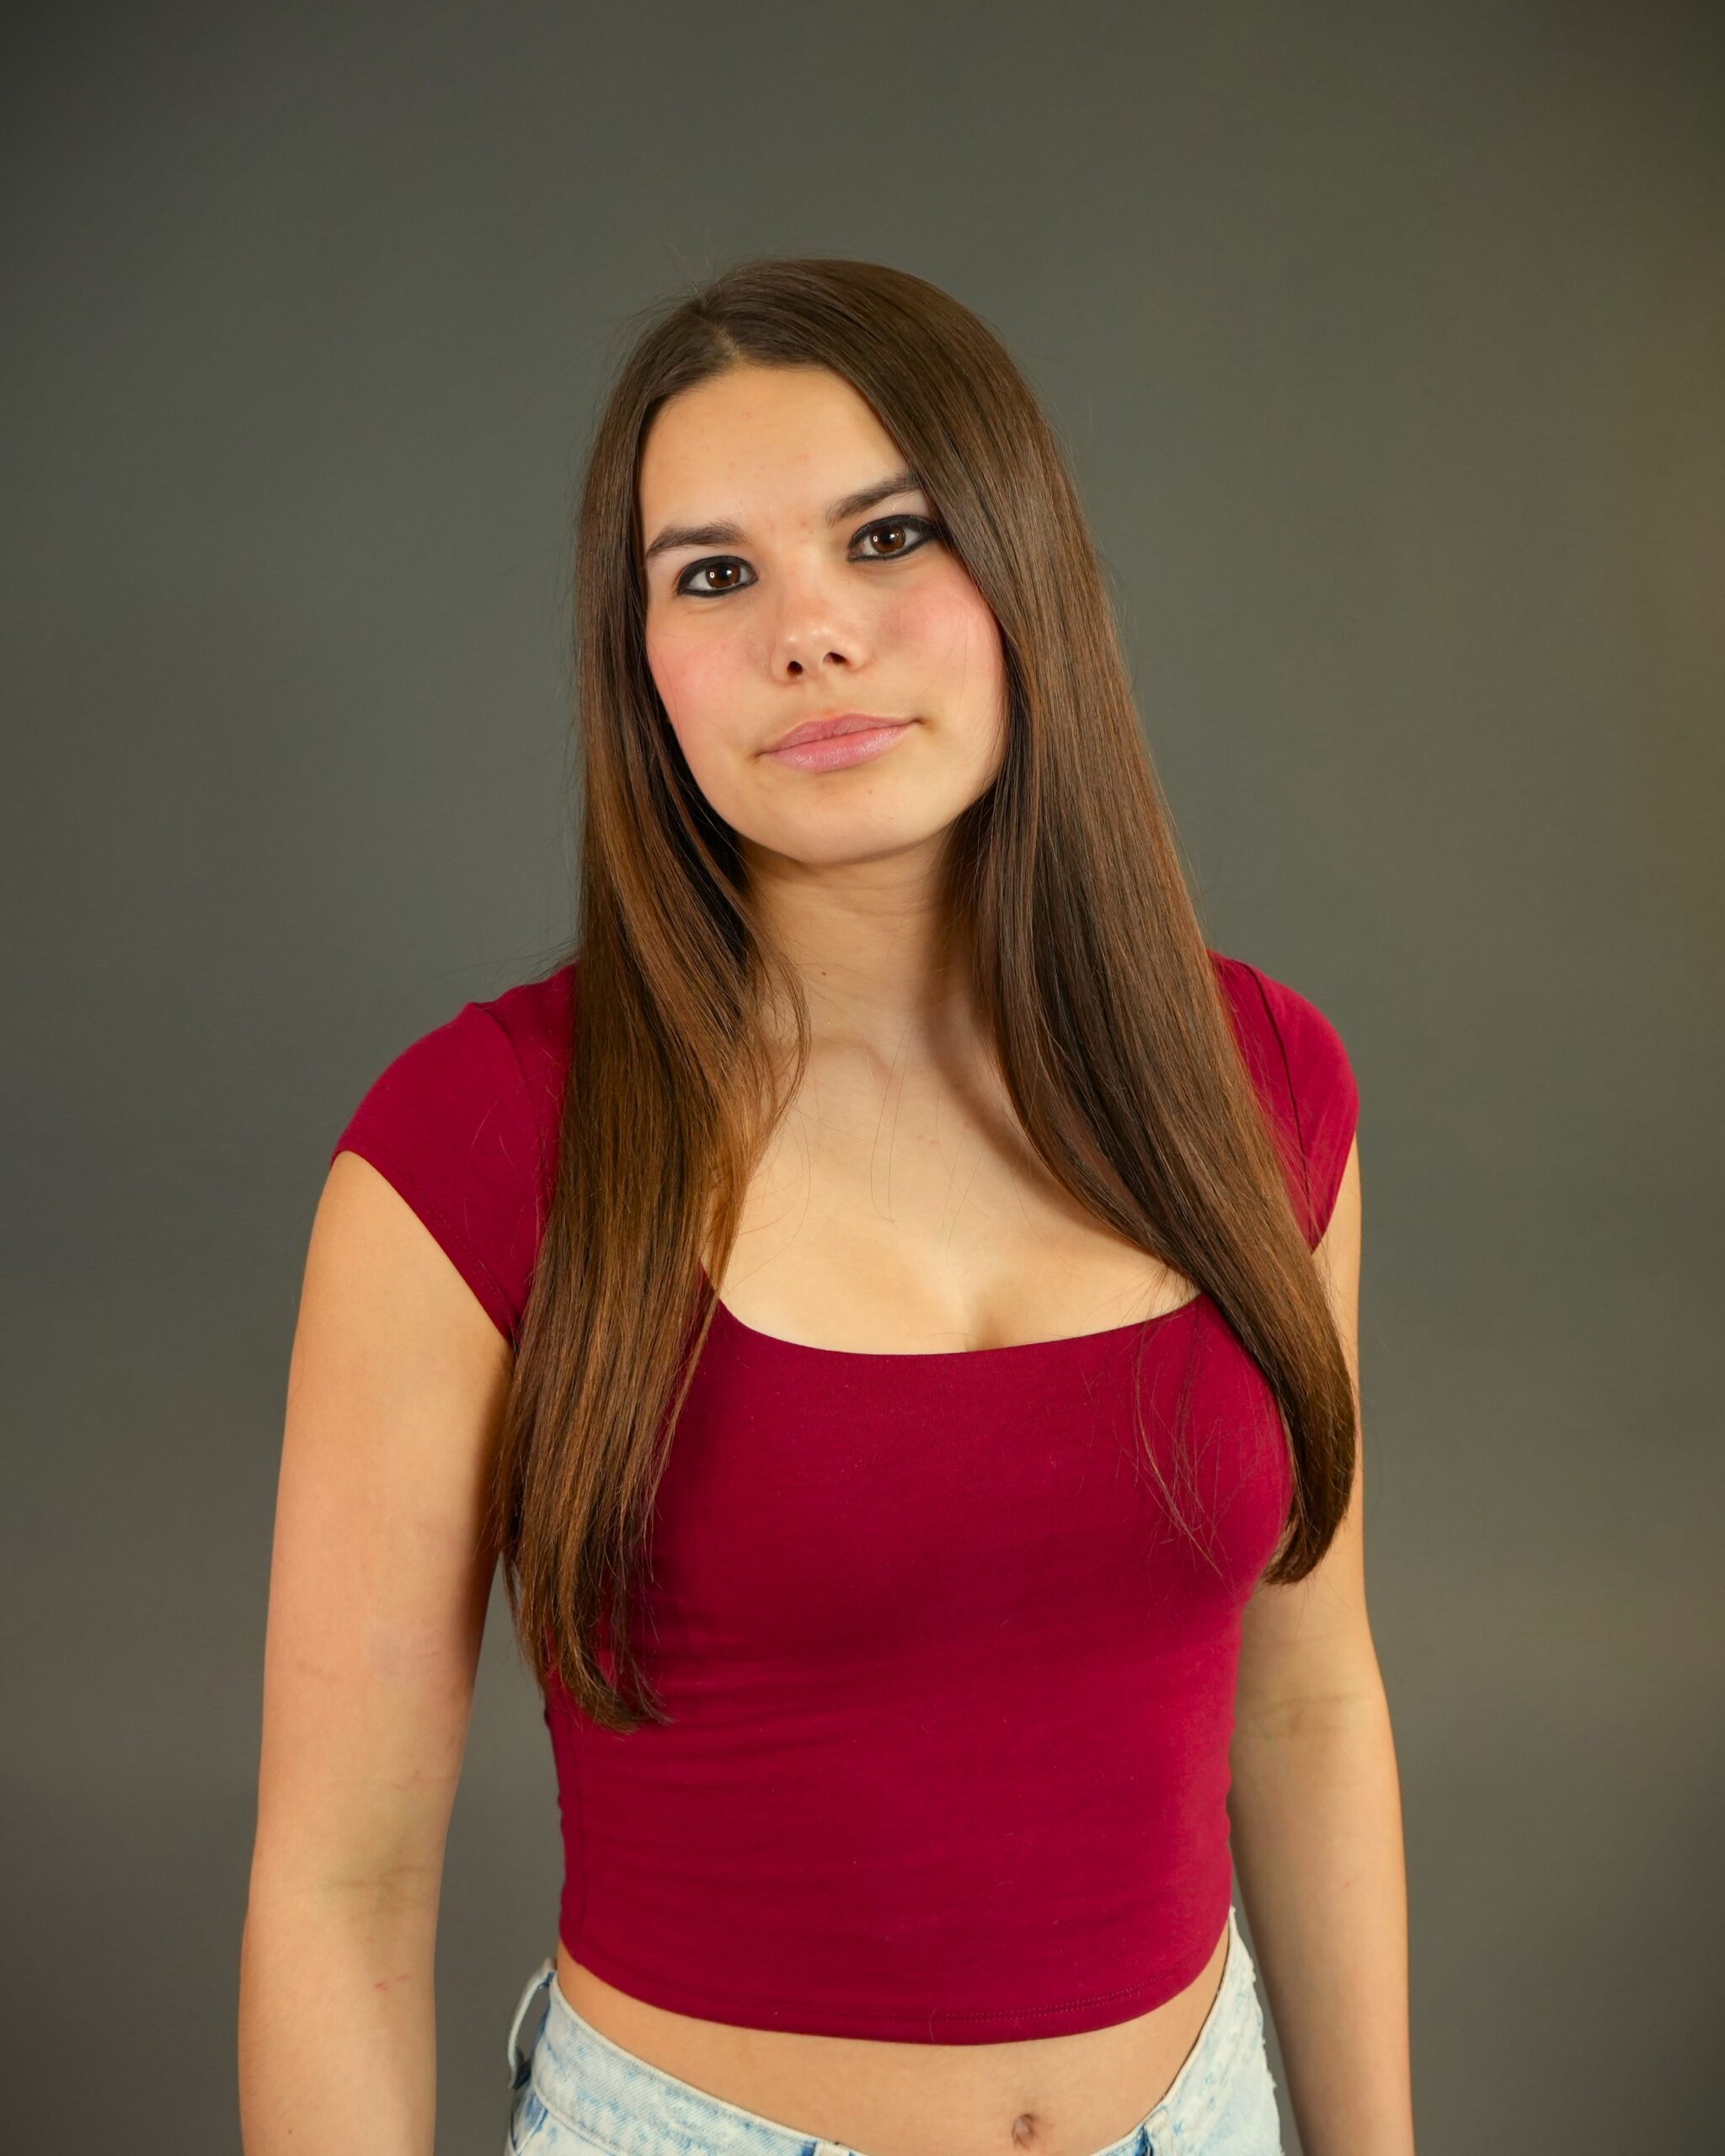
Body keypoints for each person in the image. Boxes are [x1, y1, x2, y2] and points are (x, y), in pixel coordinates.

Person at [240, 257, 1415, 2156]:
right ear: (640, 662)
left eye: (888, 537)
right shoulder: (472, 1149)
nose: (810, 635)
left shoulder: (1259, 1086)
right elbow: (339, 1881)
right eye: (714, 575)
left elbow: (1308, 1704)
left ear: (1026, 569)